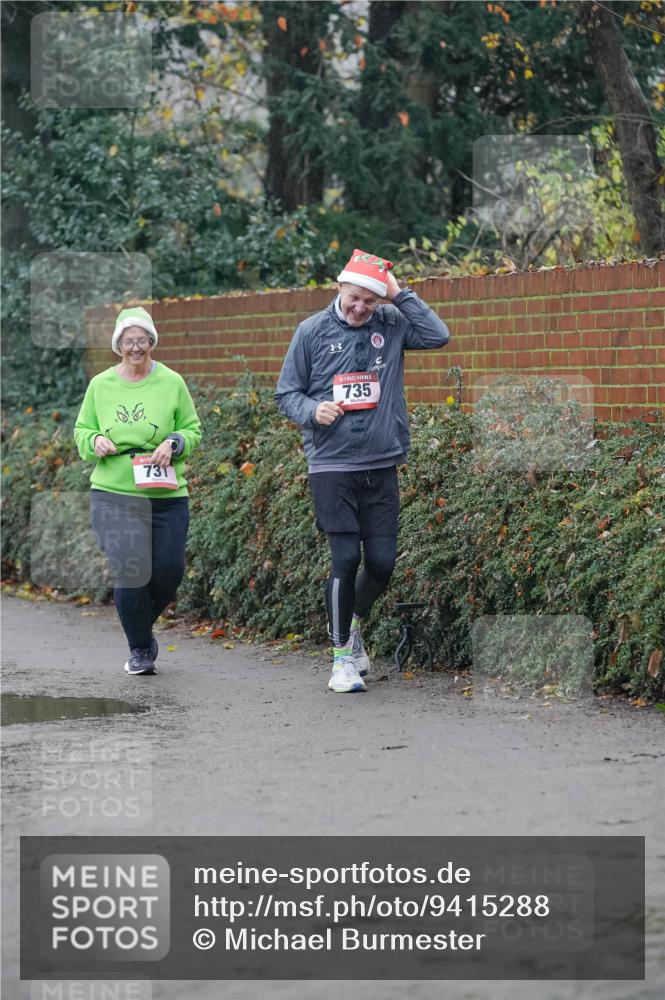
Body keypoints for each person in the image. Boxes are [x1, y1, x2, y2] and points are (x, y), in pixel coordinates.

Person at [275, 249, 450, 693]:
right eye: (354, 298)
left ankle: (352, 623)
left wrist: (398, 293)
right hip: (331, 465)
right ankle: (340, 661)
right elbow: (286, 394)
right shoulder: (310, 332)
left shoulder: (390, 324)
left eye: (370, 302)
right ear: (339, 288)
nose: (360, 309)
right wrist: (314, 410)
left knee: (382, 564)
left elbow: (438, 336)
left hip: (381, 461)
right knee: (346, 558)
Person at [74, 306, 202, 676]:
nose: (135, 347)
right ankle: (140, 649)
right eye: (128, 341)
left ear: (151, 342)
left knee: (168, 572)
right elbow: (81, 430)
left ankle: (137, 625)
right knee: (131, 572)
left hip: (166, 493)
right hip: (113, 492)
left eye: (142, 340)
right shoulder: (101, 385)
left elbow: (193, 429)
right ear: (118, 345)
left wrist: (175, 442)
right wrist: (95, 439)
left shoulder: (172, 382)